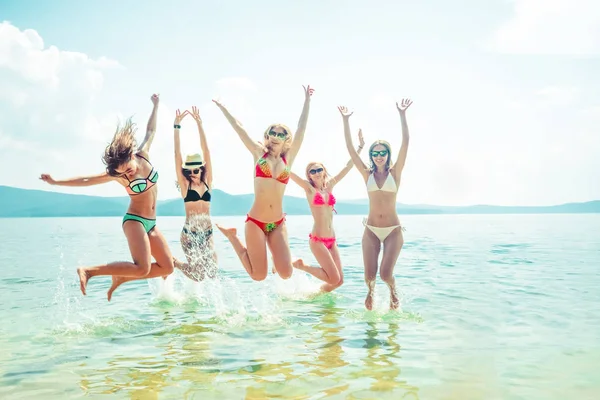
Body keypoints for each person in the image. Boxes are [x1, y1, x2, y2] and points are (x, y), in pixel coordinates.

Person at [39, 94, 175, 301]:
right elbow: (86, 180)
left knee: (168, 267)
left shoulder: (143, 155)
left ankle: (121, 278)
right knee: (142, 268)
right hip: (135, 221)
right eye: (121, 174)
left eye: (128, 170)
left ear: (131, 156)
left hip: (152, 223)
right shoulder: (118, 176)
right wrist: (56, 182)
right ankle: (89, 271)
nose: (126, 175)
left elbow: (151, 130)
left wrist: (156, 105)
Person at [213, 85, 314, 281]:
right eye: (273, 133)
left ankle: (279, 259)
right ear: (267, 137)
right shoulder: (259, 154)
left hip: (277, 222)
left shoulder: (288, 159)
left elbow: (302, 128)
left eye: (281, 134)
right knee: (258, 276)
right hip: (256, 222)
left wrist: (307, 101)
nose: (276, 137)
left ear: (287, 140)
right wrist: (223, 107)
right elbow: (239, 129)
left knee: (286, 273)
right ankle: (233, 237)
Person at [339, 99, 413, 310]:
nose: (379, 156)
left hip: (392, 231)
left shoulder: (395, 173)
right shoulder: (366, 174)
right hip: (371, 230)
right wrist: (345, 121)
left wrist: (402, 115)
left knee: (385, 274)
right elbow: (350, 149)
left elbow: (406, 143)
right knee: (369, 277)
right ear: (371, 156)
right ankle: (370, 293)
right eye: (375, 153)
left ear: (388, 155)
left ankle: (392, 291)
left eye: (383, 153)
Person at [290, 130, 365, 292]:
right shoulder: (309, 189)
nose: (316, 173)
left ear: (324, 171)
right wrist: (277, 157)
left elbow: (348, 166)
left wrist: (359, 147)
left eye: (319, 170)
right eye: (312, 171)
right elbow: (289, 172)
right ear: (309, 176)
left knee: (338, 282)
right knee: (334, 278)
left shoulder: (330, 186)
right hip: (318, 240)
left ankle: (316, 295)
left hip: (332, 240)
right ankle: (301, 266)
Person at [172, 106, 217, 281]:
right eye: (189, 170)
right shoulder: (185, 186)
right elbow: (177, 155)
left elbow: (207, 152)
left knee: (212, 273)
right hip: (189, 234)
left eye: (196, 169)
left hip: (207, 232)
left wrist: (199, 124)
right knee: (198, 276)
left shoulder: (208, 182)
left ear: (201, 168)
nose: (192, 173)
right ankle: (174, 262)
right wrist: (177, 127)